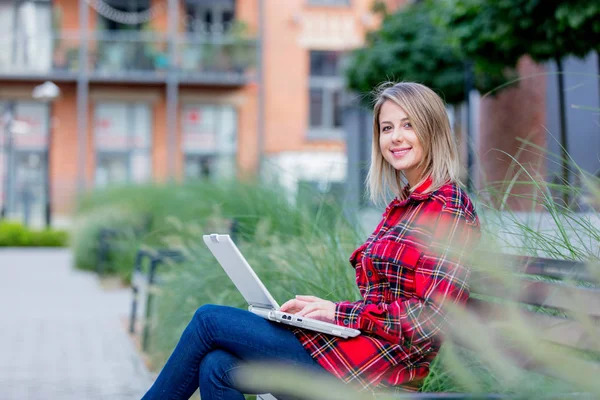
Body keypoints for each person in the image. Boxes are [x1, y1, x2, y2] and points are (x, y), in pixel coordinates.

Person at [141, 82, 481, 399]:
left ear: (433, 129)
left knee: (209, 320)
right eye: (387, 128)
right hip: (360, 352)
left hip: (383, 374)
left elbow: (434, 319)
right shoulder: (404, 206)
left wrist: (339, 313)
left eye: (408, 125)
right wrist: (327, 316)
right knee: (217, 366)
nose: (395, 137)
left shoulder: (448, 207)